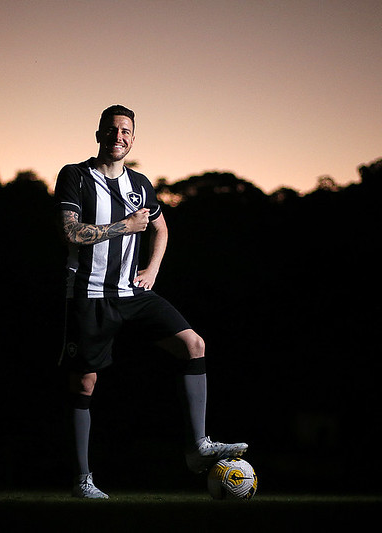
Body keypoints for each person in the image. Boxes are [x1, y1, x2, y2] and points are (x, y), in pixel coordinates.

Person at [54, 104, 247, 499]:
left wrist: (153, 269)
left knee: (194, 345)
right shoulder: (75, 175)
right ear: (98, 135)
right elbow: (71, 233)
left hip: (134, 294)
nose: (118, 136)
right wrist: (124, 226)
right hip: (90, 294)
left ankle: (198, 448)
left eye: (125, 131)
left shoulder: (140, 184)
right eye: (111, 130)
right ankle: (81, 481)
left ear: (133, 139)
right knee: (84, 383)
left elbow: (160, 227)